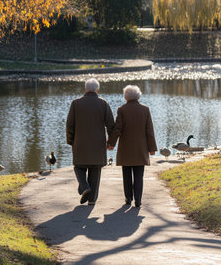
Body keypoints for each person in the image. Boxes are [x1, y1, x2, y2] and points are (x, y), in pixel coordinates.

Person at [66, 78, 114, 206]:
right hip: (98, 144)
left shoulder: (76, 103)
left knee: (79, 166)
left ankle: (85, 186)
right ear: (97, 89)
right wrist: (111, 142)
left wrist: (71, 141)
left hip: (80, 142)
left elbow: (70, 125)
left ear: (85, 89)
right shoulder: (103, 103)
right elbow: (111, 125)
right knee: (96, 170)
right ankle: (92, 199)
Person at [107, 85, 157, 207]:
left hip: (126, 148)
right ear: (138, 96)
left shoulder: (122, 109)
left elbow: (118, 128)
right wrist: (152, 148)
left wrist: (111, 143)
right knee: (139, 176)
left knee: (127, 174)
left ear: (126, 97)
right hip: (141, 148)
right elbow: (149, 130)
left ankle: (128, 198)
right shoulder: (145, 110)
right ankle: (138, 200)